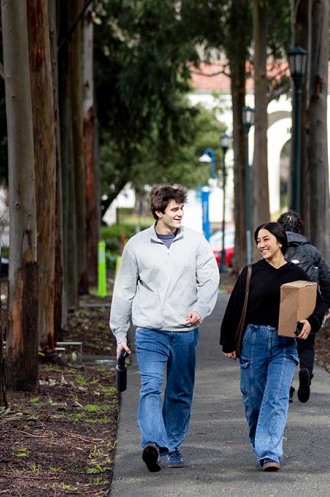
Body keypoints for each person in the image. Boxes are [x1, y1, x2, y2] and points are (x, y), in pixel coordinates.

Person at [110, 185, 220, 473]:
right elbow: (124, 291)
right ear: (159, 212)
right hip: (149, 331)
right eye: (174, 209)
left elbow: (210, 280)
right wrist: (120, 334)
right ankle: (153, 443)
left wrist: (201, 309)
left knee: (180, 391)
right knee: (149, 388)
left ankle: (172, 446)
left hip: (185, 331)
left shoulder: (196, 242)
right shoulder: (136, 245)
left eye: (181, 208)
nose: (180, 212)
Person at [219, 222, 329, 471]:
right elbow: (234, 308)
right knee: (254, 400)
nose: (261, 245)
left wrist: (311, 322)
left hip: (284, 343)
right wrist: (229, 342)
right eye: (258, 240)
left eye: (266, 239)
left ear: (280, 241)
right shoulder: (251, 273)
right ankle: (261, 443)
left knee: (276, 398)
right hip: (253, 340)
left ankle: (270, 453)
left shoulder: (296, 274)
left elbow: (320, 302)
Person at [277, 210, 330, 404]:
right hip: (308, 302)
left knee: (283, 347)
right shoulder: (311, 251)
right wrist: (326, 303)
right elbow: (326, 278)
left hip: (282, 303)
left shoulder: (276, 249)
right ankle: (306, 372)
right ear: (300, 228)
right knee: (306, 344)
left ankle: (286, 387)